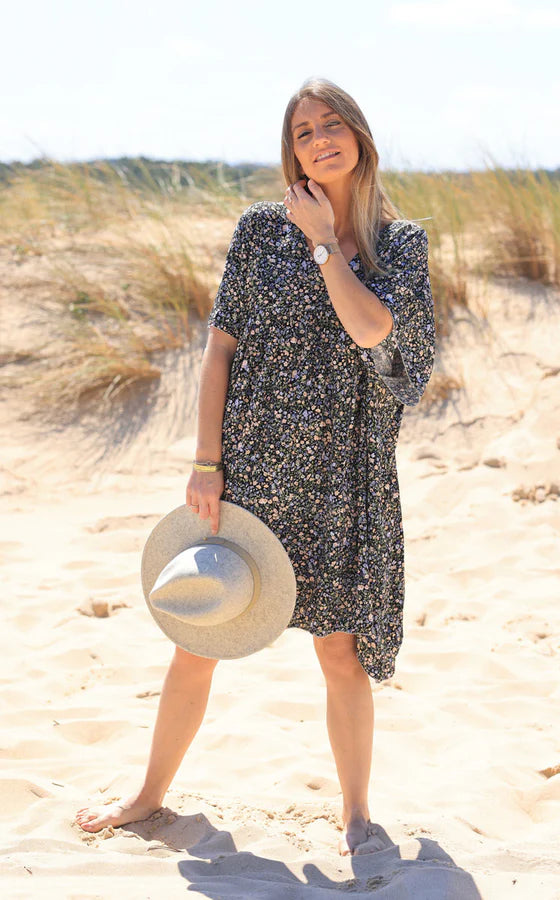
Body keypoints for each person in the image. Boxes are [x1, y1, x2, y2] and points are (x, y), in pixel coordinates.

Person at [75, 77, 435, 856]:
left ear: (360, 137)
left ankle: (357, 814)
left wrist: (321, 243)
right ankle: (147, 795)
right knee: (200, 632)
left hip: (344, 479)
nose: (319, 140)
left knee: (338, 651)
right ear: (292, 150)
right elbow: (221, 349)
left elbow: (375, 334)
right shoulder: (255, 231)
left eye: (332, 124)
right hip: (252, 471)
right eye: (303, 132)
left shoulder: (400, 245)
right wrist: (207, 461)